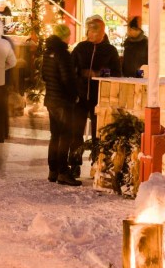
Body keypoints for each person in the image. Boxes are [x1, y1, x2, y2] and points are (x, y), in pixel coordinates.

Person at [70, 15, 122, 172]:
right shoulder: (80, 48)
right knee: (76, 132)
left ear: (101, 32)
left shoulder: (110, 51)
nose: (89, 34)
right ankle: (74, 163)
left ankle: (97, 164)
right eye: (88, 30)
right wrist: (80, 73)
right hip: (80, 96)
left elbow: (117, 74)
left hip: (99, 97)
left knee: (98, 133)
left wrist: (99, 74)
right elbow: (71, 68)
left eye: (93, 31)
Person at [43, 24, 80, 186]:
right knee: (65, 136)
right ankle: (63, 172)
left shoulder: (48, 52)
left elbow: (45, 76)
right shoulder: (63, 54)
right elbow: (67, 79)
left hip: (51, 98)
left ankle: (53, 170)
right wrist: (74, 95)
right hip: (63, 101)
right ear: (65, 36)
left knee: (55, 135)